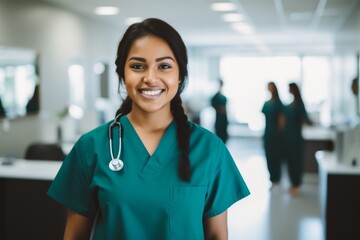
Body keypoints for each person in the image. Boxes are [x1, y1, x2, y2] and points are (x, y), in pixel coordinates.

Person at [47, 18, 250, 239]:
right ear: (122, 75)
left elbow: (217, 236)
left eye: (164, 66)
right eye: (137, 66)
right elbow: (74, 235)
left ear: (180, 75)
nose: (150, 78)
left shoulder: (209, 149)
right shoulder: (92, 147)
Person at [283, 82, 313, 197]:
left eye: (289, 88)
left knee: (296, 162)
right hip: (288, 138)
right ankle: (292, 184)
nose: (288, 90)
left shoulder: (299, 104)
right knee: (290, 161)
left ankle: (297, 185)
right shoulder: (290, 105)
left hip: (296, 139)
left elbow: (305, 119)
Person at [261, 81, 285, 190]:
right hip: (267, 134)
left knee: (276, 157)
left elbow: (281, 120)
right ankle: (272, 179)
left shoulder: (278, 104)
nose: (269, 89)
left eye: (271, 87)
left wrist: (280, 134)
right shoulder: (266, 103)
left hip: (276, 135)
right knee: (269, 157)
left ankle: (277, 179)